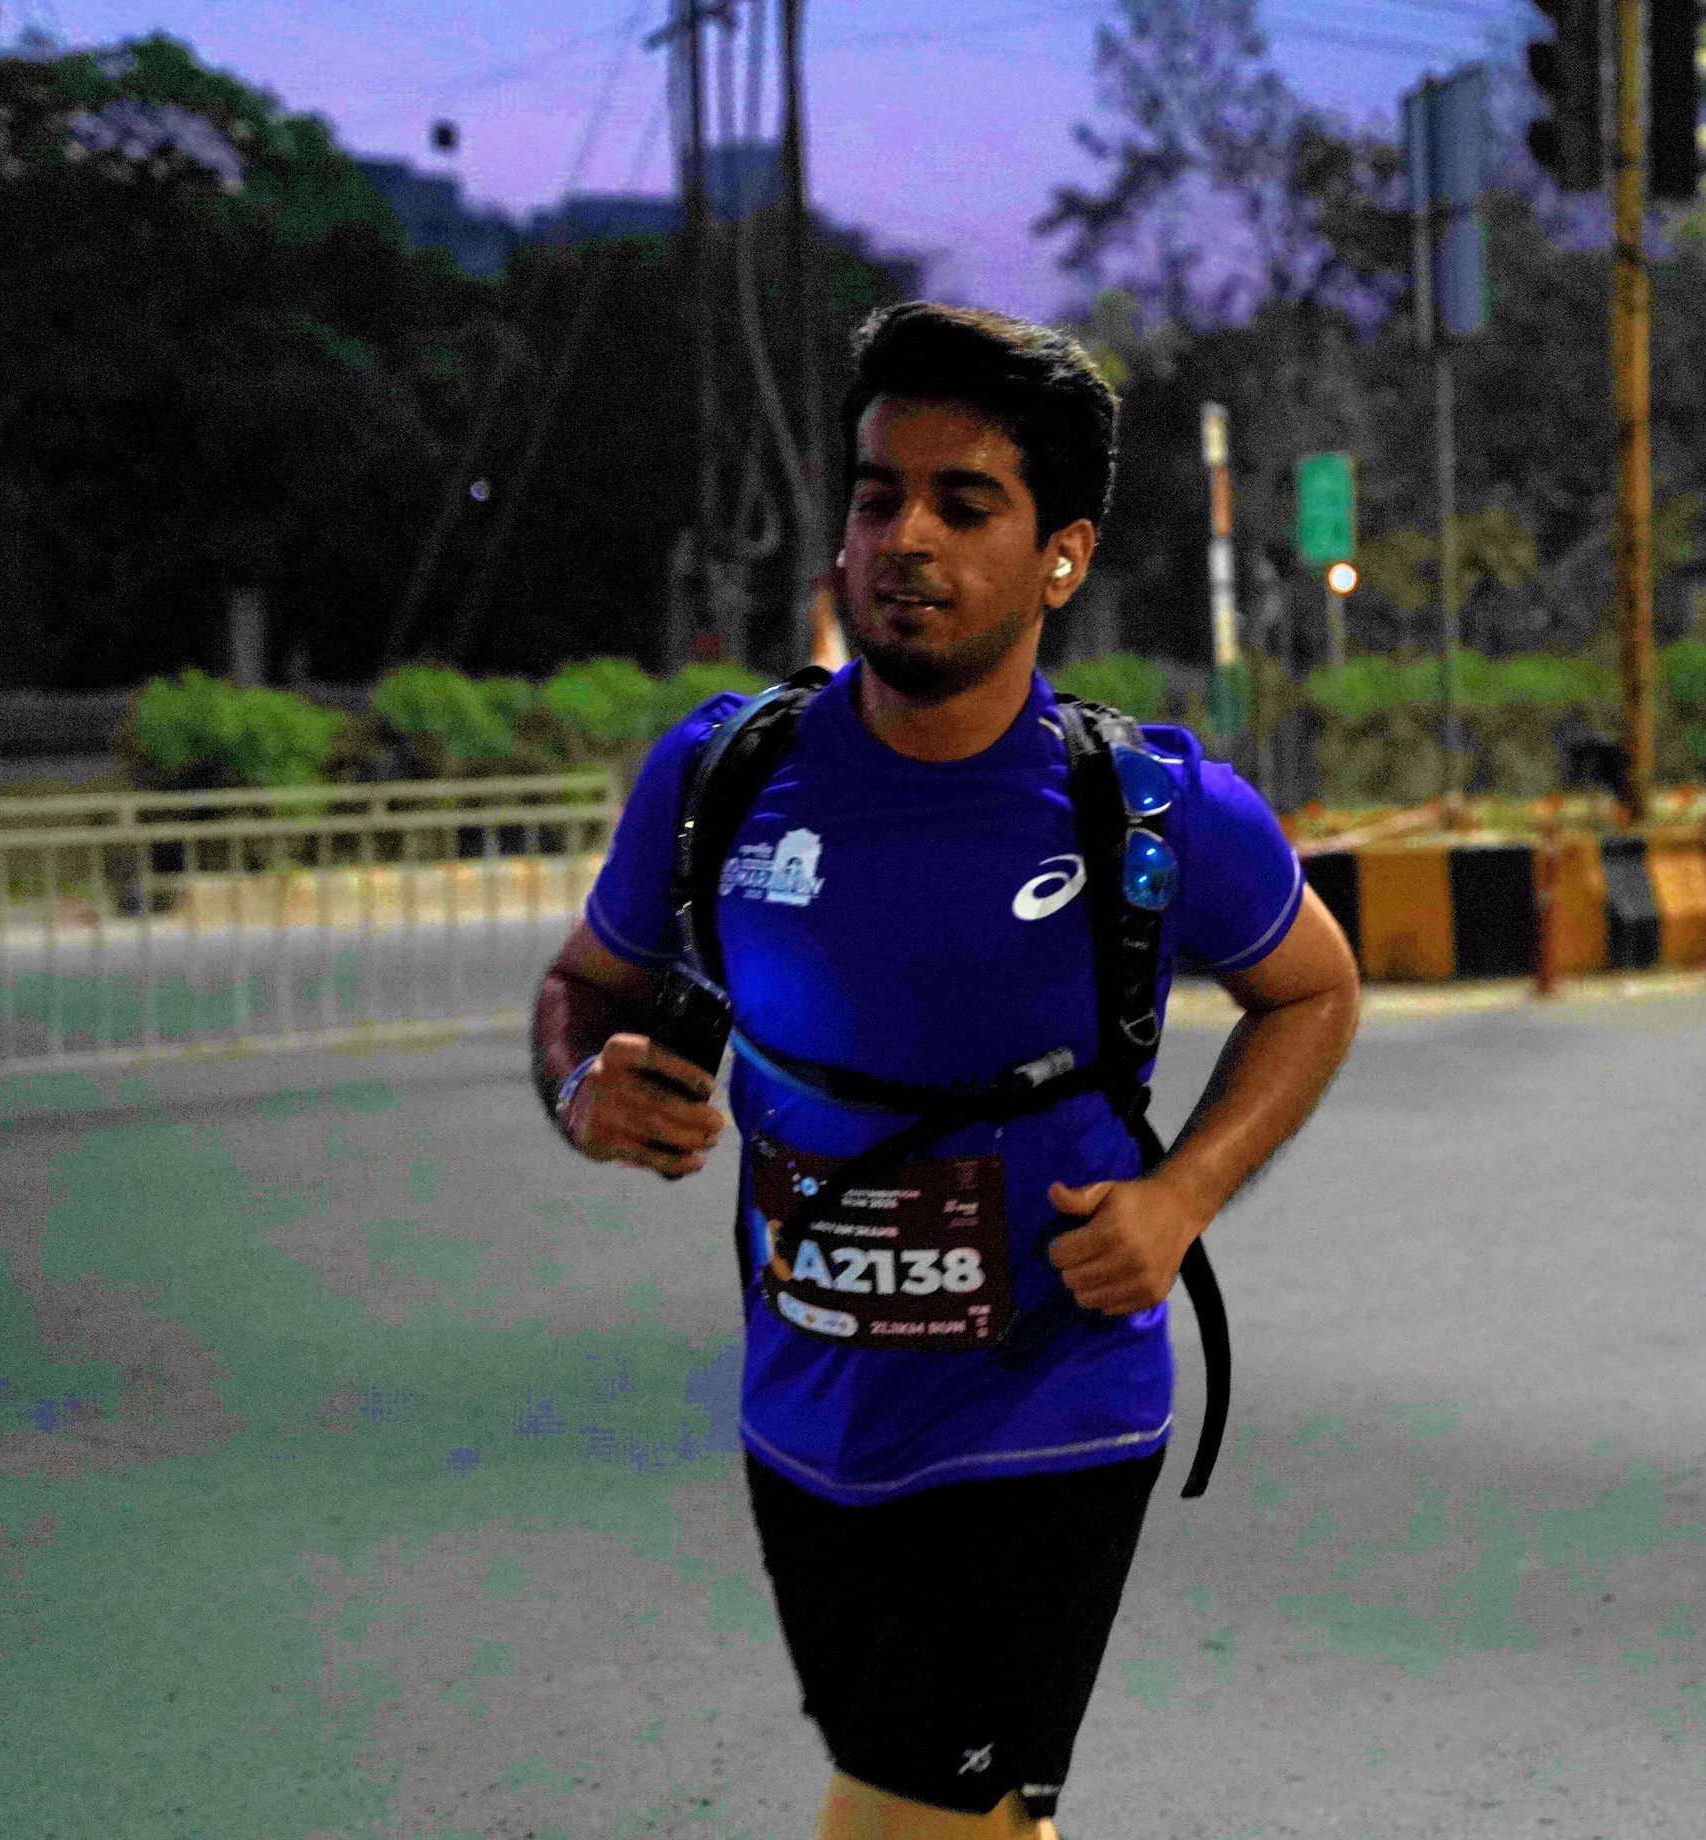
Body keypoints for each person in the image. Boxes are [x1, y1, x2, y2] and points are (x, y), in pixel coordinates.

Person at [530, 301, 1362, 1840]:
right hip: (803, 1416)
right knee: (977, 1819)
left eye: (964, 505)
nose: (903, 538)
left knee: (903, 1820)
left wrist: (1181, 1198)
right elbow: (582, 987)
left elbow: (1314, 989)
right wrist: (584, 1088)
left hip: (1049, 1411)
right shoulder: (723, 776)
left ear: (1063, 556)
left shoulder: (1152, 809)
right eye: (877, 497)